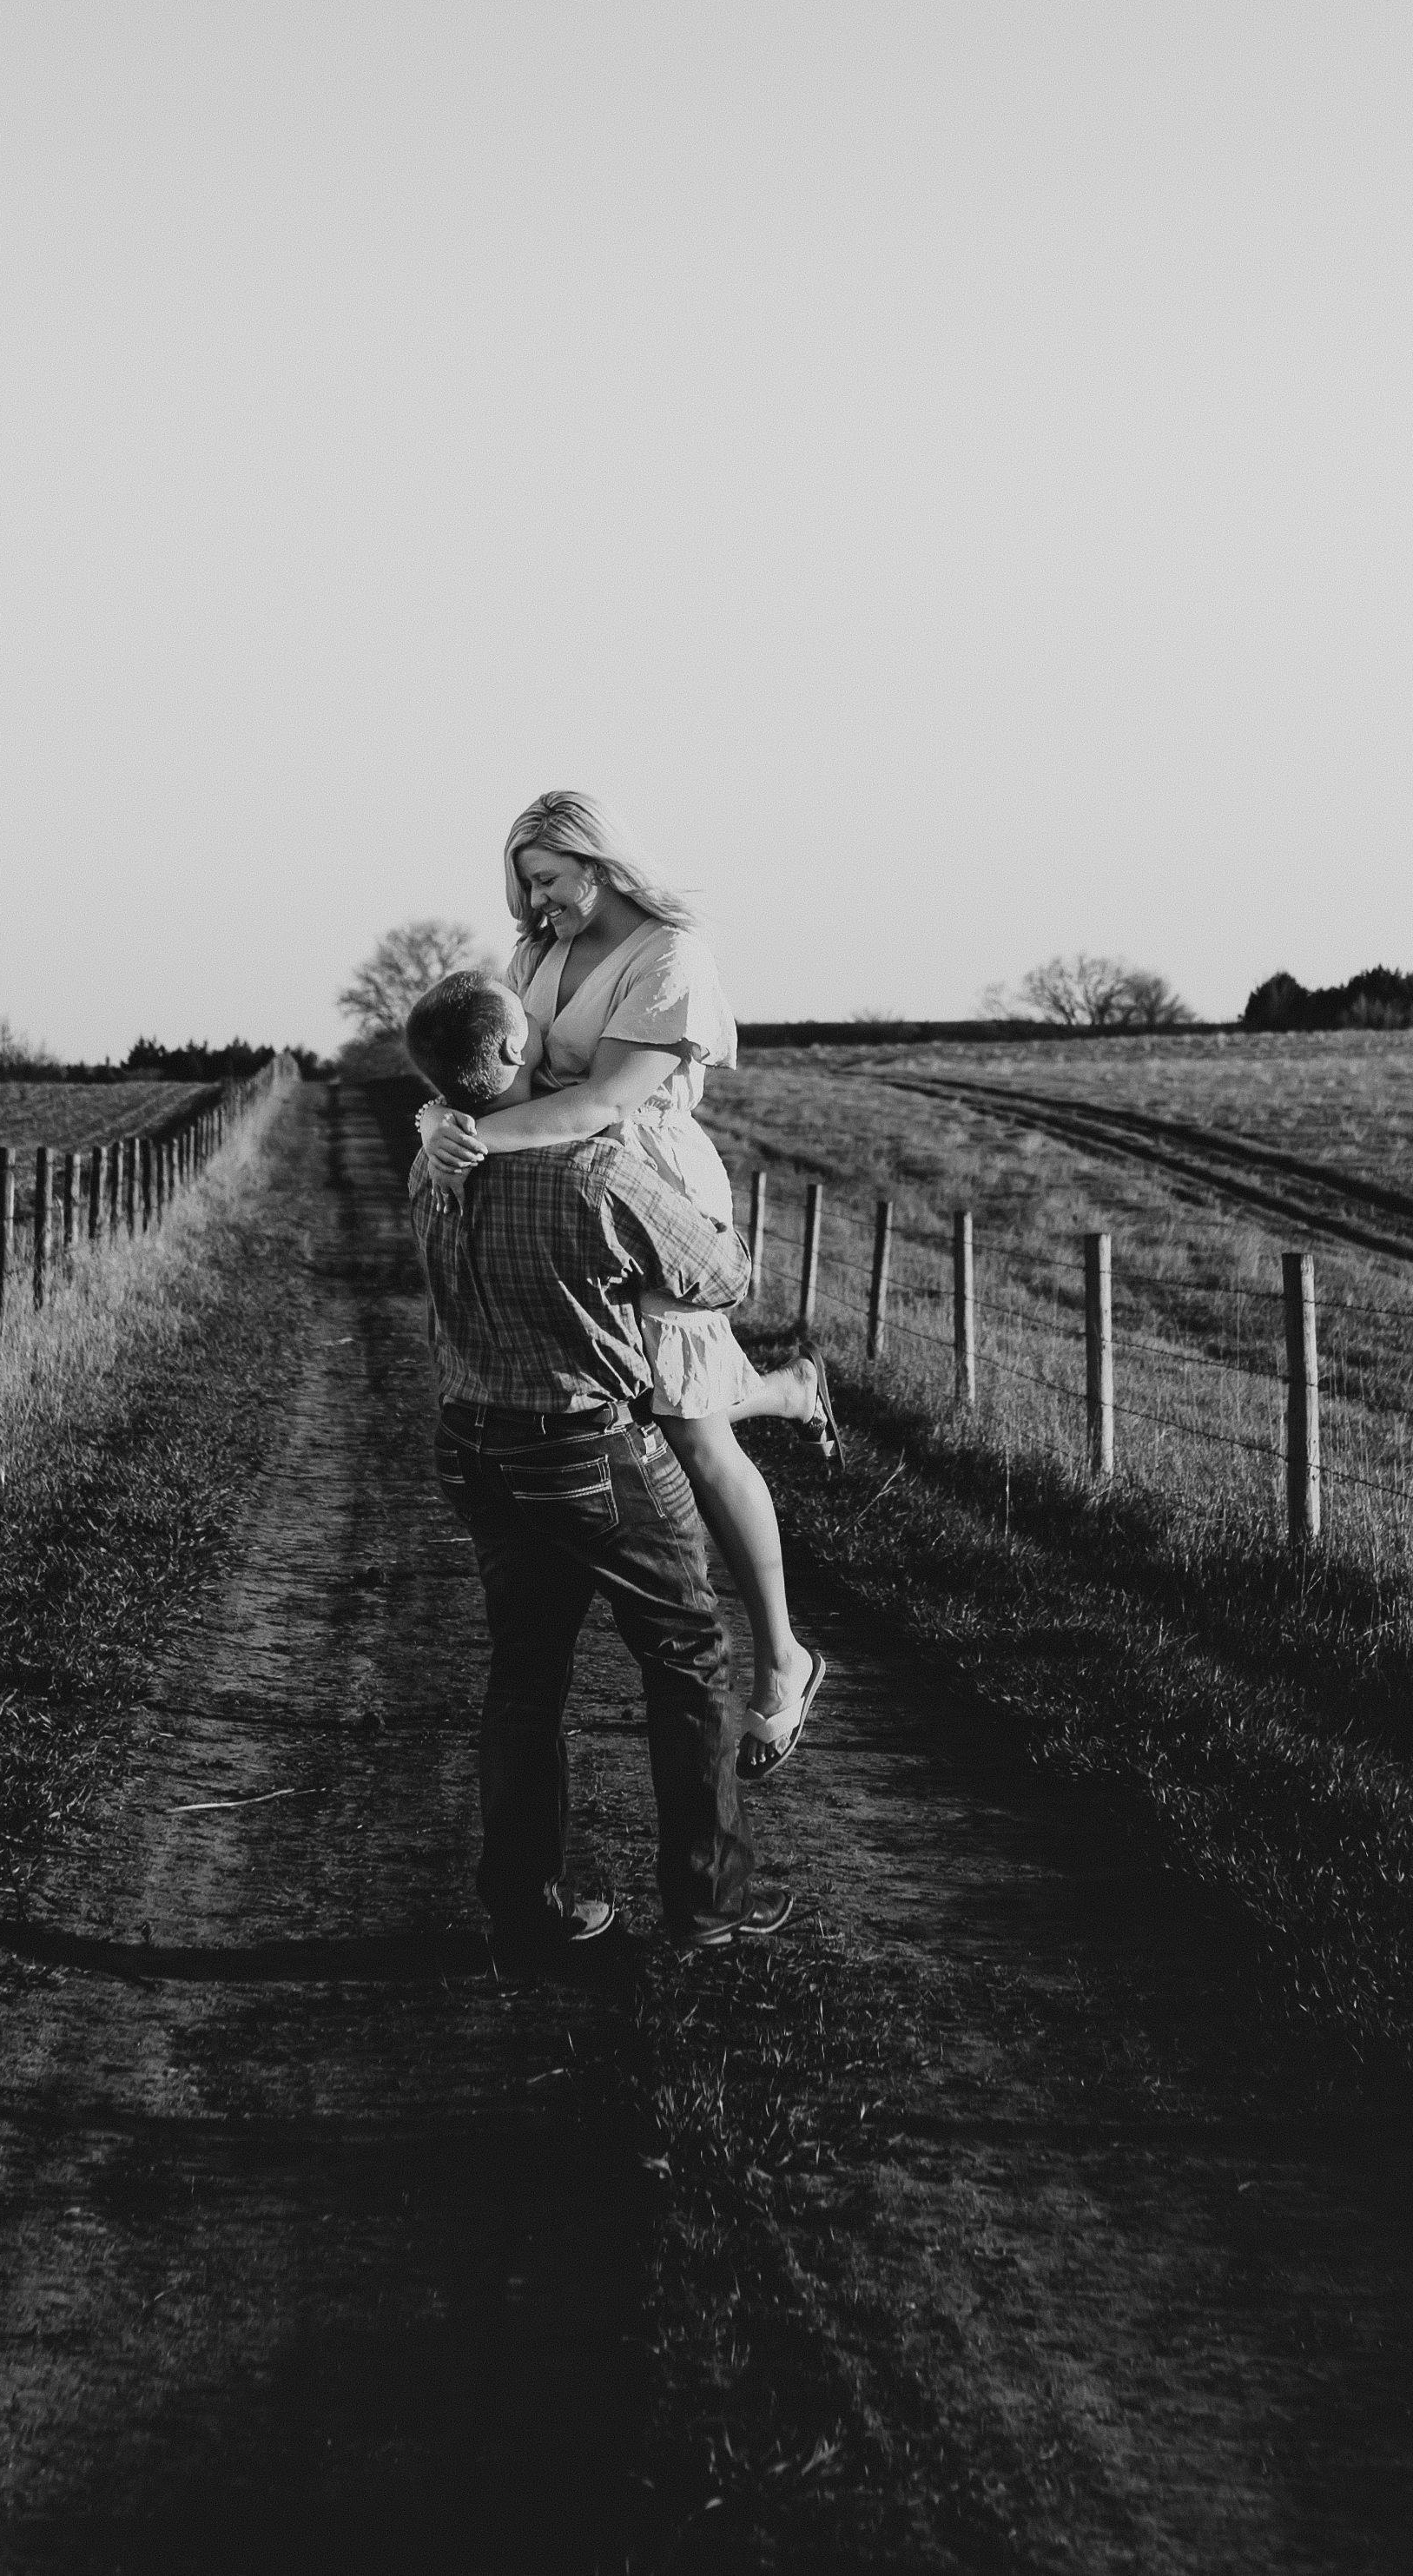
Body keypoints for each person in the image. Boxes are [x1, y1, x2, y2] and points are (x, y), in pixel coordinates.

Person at [416, 790, 833, 1780]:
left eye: (548, 880)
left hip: (637, 1187)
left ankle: (782, 1659)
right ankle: (785, 1391)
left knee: (688, 1427)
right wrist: (438, 1123)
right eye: (525, 885)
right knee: (620, 1403)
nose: (535, 902)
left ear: (598, 863)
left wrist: (465, 1142)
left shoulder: (671, 956)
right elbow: (487, 1071)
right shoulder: (536, 953)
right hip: (549, 1186)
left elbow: (602, 1100)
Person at [402, 964, 796, 1969]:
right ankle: (707, 1907)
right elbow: (725, 1276)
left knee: (524, 1674)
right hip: (586, 1446)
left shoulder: (430, 1167)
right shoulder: (592, 1170)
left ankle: (525, 1912)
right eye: (527, 1022)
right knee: (687, 1657)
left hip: (474, 1444)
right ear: (507, 1051)